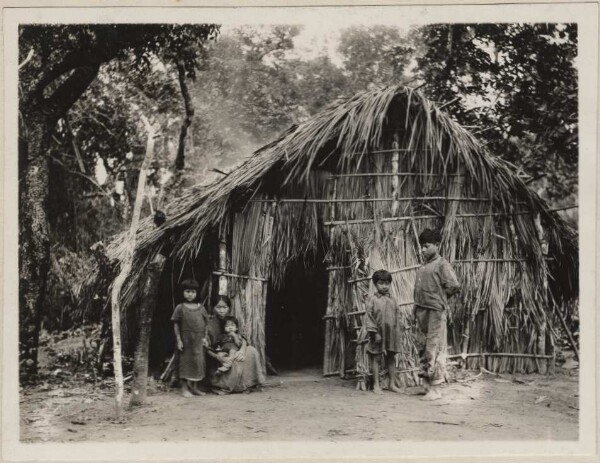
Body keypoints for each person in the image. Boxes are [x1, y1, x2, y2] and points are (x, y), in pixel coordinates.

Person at [413, 228, 460, 401]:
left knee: (435, 347)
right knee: (423, 347)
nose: (423, 250)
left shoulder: (442, 264)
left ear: (437, 245)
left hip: (435, 312)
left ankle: (436, 387)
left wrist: (440, 299)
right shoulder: (424, 266)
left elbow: (454, 285)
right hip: (421, 311)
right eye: (421, 247)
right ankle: (426, 384)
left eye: (426, 246)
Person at [205, 296, 265, 394]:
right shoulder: (210, 326)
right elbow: (205, 349)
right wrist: (219, 358)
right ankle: (228, 385)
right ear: (213, 308)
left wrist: (242, 349)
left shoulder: (231, 321)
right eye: (218, 307)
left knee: (252, 351)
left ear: (229, 308)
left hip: (233, 351)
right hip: (218, 358)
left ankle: (248, 383)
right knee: (232, 360)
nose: (221, 310)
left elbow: (242, 338)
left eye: (224, 307)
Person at [365, 269, 404, 394]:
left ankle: (392, 384)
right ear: (375, 284)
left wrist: (398, 330)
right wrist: (375, 333)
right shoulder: (372, 299)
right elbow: (369, 316)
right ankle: (376, 385)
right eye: (381, 283)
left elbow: (397, 315)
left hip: (391, 333)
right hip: (377, 333)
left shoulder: (393, 299)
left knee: (391, 357)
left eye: (387, 283)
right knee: (376, 357)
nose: (384, 286)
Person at [171, 279, 208, 397]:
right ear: (182, 292)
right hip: (186, 340)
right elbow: (176, 324)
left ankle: (194, 388)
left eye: (193, 292)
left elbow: (206, 324)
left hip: (199, 340)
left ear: (197, 293)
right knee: (185, 363)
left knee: (198, 363)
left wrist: (205, 338)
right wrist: (178, 339)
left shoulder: (201, 308)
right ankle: (184, 388)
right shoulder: (180, 308)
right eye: (187, 291)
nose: (190, 294)